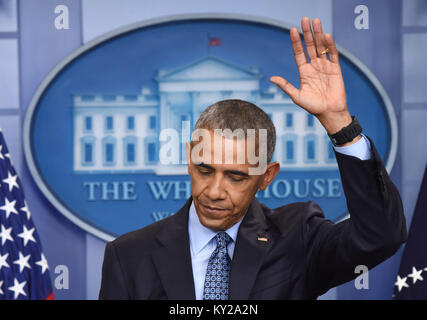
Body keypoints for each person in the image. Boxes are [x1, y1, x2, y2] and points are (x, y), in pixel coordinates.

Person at [98, 17, 407, 300]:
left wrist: (340, 123)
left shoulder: (298, 239)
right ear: (189, 159)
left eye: (236, 176)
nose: (214, 191)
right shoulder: (129, 255)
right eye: (205, 170)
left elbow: (381, 236)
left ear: (266, 176)